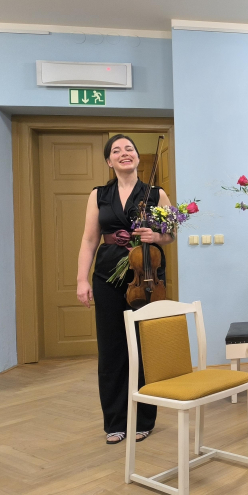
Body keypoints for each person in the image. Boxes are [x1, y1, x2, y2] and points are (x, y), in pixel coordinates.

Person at [76, 134, 174, 444]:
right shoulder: (99, 195)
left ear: (137, 157)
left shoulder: (156, 193)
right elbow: (89, 239)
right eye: (116, 151)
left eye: (129, 149)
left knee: (144, 348)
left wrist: (156, 237)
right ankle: (115, 422)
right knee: (111, 349)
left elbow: (171, 234)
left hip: (147, 277)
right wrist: (81, 279)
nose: (124, 153)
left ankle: (144, 419)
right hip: (107, 275)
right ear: (109, 161)